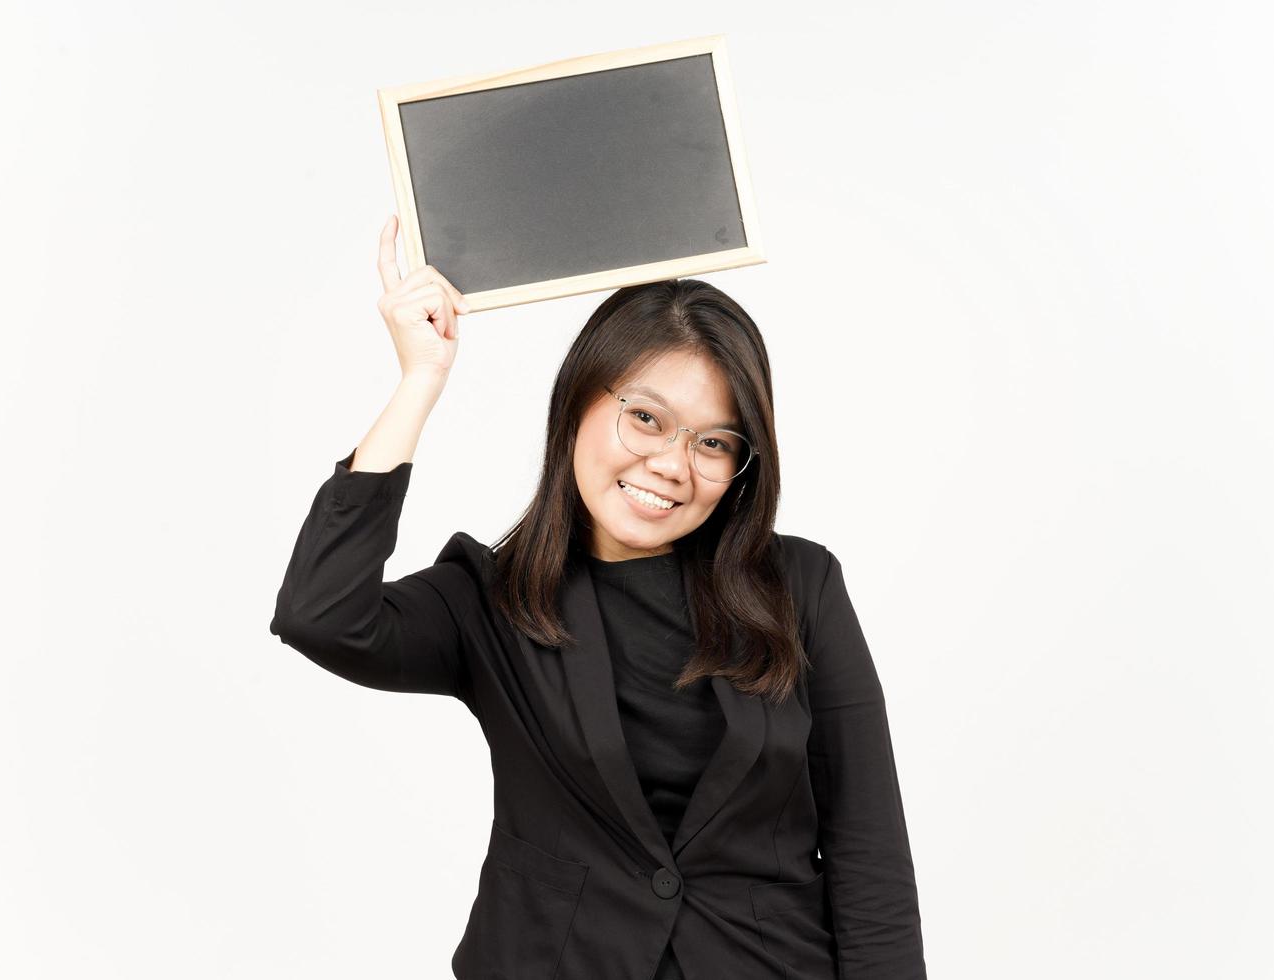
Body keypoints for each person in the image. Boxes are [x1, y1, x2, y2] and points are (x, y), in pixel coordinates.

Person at [269, 214, 928, 979]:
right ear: (579, 403)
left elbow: (868, 850)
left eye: (713, 442)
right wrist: (420, 381)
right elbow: (319, 615)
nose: (673, 464)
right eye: (645, 418)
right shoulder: (487, 602)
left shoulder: (801, 588)